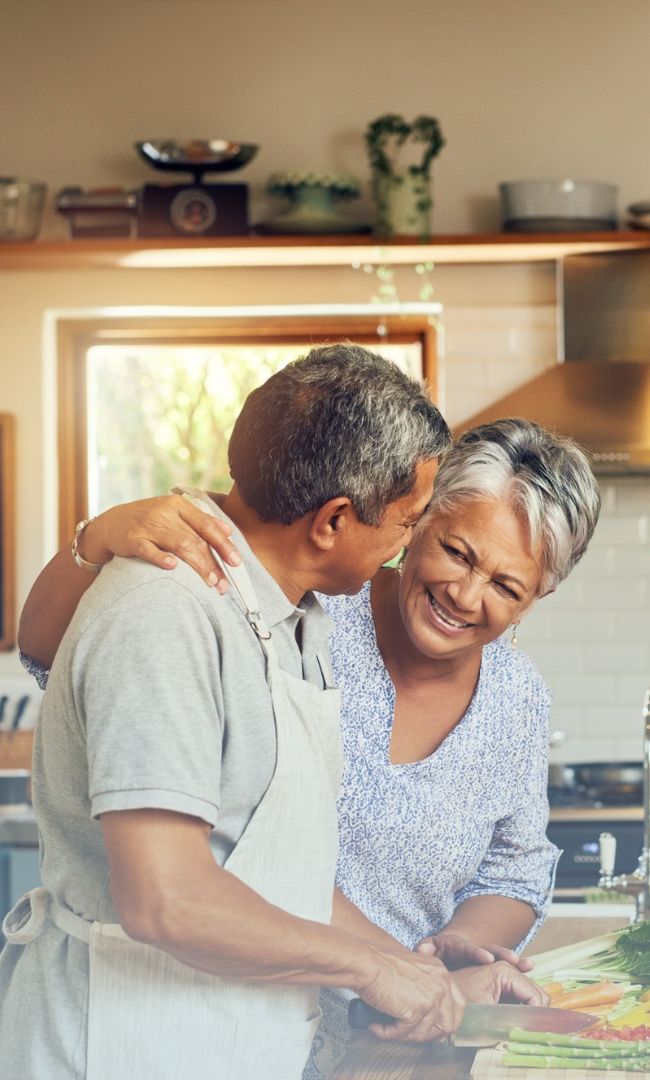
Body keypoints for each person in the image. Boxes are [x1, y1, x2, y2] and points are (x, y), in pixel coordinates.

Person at [0, 346, 539, 1080]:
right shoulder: (165, 613)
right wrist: (365, 970)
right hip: (118, 1045)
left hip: (225, 1038)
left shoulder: (294, 620)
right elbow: (167, 900)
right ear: (334, 520)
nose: (407, 548)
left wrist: (424, 978)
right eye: (410, 524)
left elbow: (279, 873)